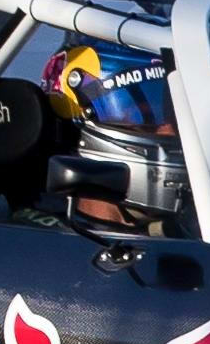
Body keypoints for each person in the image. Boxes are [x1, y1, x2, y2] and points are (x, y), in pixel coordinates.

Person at [46, 43, 190, 232]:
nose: (171, 131)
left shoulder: (204, 227)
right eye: (141, 117)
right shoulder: (41, 240)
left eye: (174, 115)